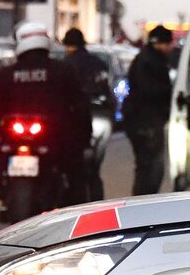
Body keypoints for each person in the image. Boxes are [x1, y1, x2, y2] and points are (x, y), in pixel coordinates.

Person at [0, 22, 92, 205]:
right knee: (76, 176)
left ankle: (4, 185)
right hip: (52, 139)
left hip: (34, 138)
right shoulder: (62, 70)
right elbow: (80, 106)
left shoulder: (8, 73)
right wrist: (84, 137)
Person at [60, 27, 112, 201]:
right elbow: (108, 92)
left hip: (77, 120)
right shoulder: (99, 63)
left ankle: (74, 203)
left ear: (67, 45)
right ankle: (97, 204)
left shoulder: (65, 66)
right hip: (102, 117)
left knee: (75, 168)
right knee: (94, 169)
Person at [122, 25, 175, 196]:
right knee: (152, 168)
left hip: (140, 119)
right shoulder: (152, 61)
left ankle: (141, 201)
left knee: (146, 166)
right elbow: (149, 91)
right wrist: (170, 94)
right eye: (168, 44)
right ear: (160, 43)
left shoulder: (144, 58)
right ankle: (143, 202)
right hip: (146, 121)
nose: (170, 48)